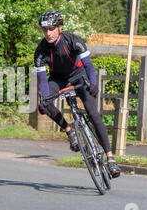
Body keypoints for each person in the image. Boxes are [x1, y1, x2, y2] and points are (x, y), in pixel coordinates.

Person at [34, 10, 121, 178]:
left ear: (59, 28)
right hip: (58, 79)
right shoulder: (40, 51)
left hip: (79, 75)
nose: (48, 33)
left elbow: (88, 65)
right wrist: (44, 97)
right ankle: (69, 131)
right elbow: (42, 80)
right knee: (44, 102)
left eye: (51, 29)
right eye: (45, 30)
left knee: (93, 113)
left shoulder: (73, 40)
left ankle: (110, 159)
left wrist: (93, 83)